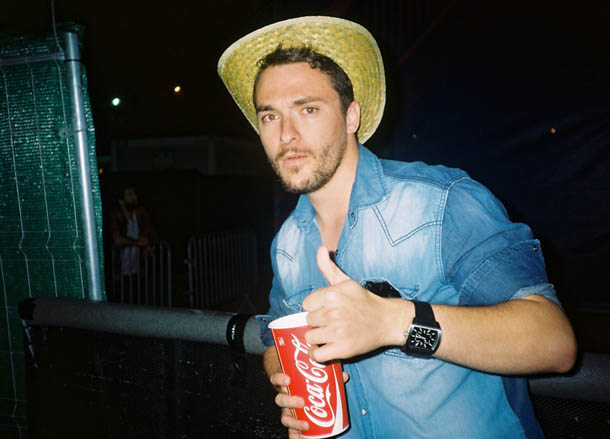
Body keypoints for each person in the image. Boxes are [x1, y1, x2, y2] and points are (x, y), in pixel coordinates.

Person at [217, 16, 576, 438]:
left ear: (351, 116)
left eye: (308, 109)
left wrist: (393, 322)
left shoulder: (440, 202)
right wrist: (285, 379)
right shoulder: (288, 244)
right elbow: (276, 333)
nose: (287, 135)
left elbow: (553, 342)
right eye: (269, 116)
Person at [110, 186, 154, 302]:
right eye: (130, 195)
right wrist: (137, 243)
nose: (134, 197)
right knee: (122, 301)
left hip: (138, 268)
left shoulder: (140, 213)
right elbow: (116, 239)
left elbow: (148, 232)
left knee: (138, 299)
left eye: (134, 194)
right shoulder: (116, 215)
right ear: (121, 201)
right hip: (120, 269)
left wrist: (147, 244)